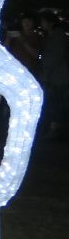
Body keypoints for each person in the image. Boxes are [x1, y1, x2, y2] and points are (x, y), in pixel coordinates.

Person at [38, 11, 69, 141]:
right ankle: (55, 128)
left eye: (43, 22)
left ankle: (55, 129)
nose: (41, 24)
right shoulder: (54, 36)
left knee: (57, 102)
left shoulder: (58, 37)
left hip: (58, 76)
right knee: (56, 102)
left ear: (50, 23)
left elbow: (54, 57)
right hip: (57, 75)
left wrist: (45, 68)